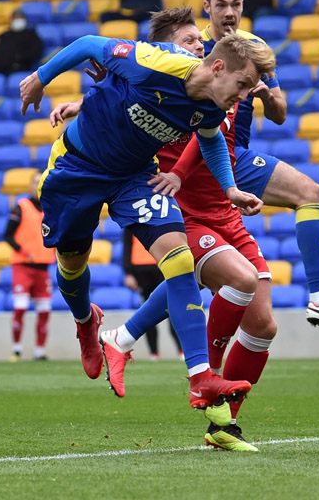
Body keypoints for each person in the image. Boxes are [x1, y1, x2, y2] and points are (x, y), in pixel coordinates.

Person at [17, 26, 273, 421]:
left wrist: (230, 189)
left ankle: (201, 378)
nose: (243, 96)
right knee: (71, 263)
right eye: (242, 85)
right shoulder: (156, 64)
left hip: (135, 178)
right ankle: (86, 322)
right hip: (77, 169)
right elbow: (88, 44)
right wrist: (40, 78)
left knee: (180, 259)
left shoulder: (212, 106)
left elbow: (210, 140)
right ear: (219, 67)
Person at [200, 0, 319, 330]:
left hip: (235, 156)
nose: (229, 12)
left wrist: (267, 95)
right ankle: (129, 335)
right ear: (207, 8)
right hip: (202, 158)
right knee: (187, 272)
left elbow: (280, 114)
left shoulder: (255, 49)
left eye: (236, 4)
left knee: (261, 324)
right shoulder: (194, 47)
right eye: (221, 5)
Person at [3, 172, 55, 362]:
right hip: (23, 266)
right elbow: (7, 235)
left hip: (43, 266)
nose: (37, 185)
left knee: (45, 309)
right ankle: (16, 348)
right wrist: (23, 251)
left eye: (41, 182)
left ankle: (39, 351)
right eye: (35, 182)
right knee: (21, 307)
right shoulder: (21, 207)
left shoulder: (52, 207)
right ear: (30, 186)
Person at [120, 226, 182, 361]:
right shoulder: (131, 220)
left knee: (173, 309)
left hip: (162, 266)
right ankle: (154, 353)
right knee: (148, 311)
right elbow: (127, 245)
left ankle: (181, 351)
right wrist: (128, 273)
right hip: (141, 271)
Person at [0, 10, 43, 75]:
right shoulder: (6, 34)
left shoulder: (31, 35)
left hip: (18, 66)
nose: (18, 20)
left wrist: (20, 57)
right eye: (15, 18)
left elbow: (36, 52)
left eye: (20, 18)